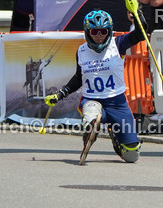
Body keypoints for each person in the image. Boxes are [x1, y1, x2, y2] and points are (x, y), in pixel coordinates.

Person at [44, 10, 145, 164]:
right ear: (87, 32)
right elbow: (79, 77)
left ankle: (117, 137)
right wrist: (60, 94)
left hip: (117, 103)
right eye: (95, 31)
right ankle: (91, 128)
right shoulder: (82, 51)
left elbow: (141, 33)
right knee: (92, 113)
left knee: (132, 156)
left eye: (103, 31)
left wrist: (137, 15)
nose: (99, 35)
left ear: (109, 31)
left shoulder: (117, 44)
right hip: (92, 100)